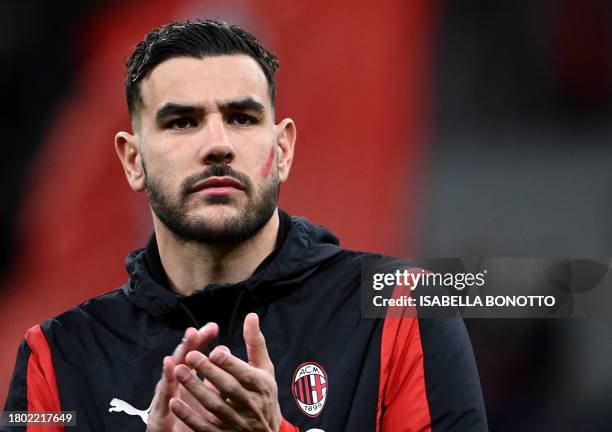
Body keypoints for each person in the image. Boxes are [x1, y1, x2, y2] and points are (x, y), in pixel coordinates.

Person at [3, 19, 487, 431]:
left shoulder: (404, 309)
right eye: (182, 122)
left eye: (241, 117)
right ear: (133, 161)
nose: (217, 144)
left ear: (282, 150)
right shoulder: (55, 357)